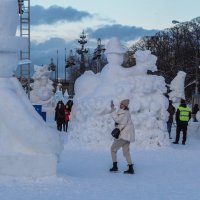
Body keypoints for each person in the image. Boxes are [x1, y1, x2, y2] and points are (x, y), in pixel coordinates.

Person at [110, 99, 135, 174]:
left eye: (122, 104)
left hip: (123, 135)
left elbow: (118, 120)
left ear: (125, 106)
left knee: (113, 149)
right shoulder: (126, 112)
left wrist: (112, 110)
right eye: (120, 104)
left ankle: (115, 166)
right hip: (127, 136)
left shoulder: (124, 113)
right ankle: (131, 168)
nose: (120, 105)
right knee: (126, 152)